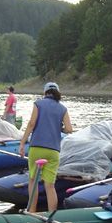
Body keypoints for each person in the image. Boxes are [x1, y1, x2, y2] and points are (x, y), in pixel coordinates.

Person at [19, 82, 73, 212]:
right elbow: (69, 129)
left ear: (45, 92)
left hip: (36, 147)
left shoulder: (38, 104)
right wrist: (59, 127)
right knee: (50, 185)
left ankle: (32, 211)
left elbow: (32, 123)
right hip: (53, 150)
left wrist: (22, 142)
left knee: (33, 180)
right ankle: (51, 216)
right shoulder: (63, 108)